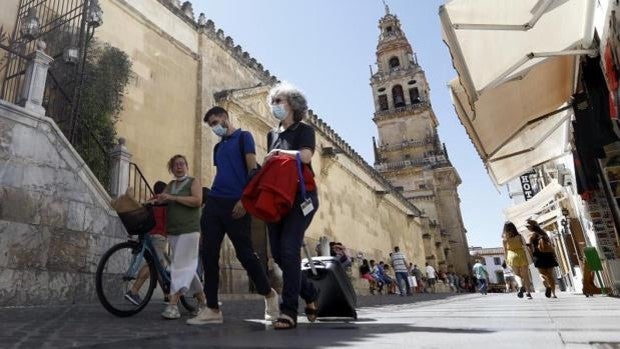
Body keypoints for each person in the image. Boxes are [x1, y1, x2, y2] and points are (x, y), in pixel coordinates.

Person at [188, 107, 279, 325]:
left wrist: (245, 201)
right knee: (209, 255)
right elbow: (222, 174)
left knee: (245, 255)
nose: (214, 126)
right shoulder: (218, 147)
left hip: (236, 204)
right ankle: (212, 309)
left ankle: (270, 295)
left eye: (215, 120)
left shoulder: (243, 137)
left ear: (225, 117)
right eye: (210, 124)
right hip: (215, 204)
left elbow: (252, 172)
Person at [261, 83, 319, 329]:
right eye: (273, 102)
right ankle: (310, 293)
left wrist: (278, 155)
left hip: (301, 197)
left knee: (289, 249)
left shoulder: (304, 130)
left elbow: (305, 157)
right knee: (279, 253)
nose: (275, 106)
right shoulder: (271, 135)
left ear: (293, 105)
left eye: (280, 101)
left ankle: (289, 312)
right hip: (277, 198)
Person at [158, 155, 206, 319]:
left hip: (189, 230)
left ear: (186, 166)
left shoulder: (193, 181)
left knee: (179, 267)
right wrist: (155, 201)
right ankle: (203, 303)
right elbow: (162, 200)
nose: (179, 167)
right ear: (171, 169)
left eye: (181, 164)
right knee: (187, 268)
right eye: (175, 165)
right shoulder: (170, 185)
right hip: (173, 231)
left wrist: (173, 198)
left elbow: (197, 201)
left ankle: (173, 305)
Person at [125, 181, 169, 305]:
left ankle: (167, 295)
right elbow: (169, 220)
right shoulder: (164, 203)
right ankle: (133, 291)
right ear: (164, 191)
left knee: (160, 265)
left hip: (147, 237)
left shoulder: (149, 202)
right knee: (152, 264)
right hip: (159, 237)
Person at [526, 219, 559, 298]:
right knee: (550, 275)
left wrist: (531, 255)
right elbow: (551, 244)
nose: (527, 228)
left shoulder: (531, 234)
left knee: (542, 274)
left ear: (532, 226)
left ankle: (547, 285)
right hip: (549, 255)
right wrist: (554, 254)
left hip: (538, 256)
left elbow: (529, 246)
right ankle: (554, 294)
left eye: (528, 226)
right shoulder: (544, 233)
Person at [502, 222, 533, 299]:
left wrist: (506, 260)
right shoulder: (519, 236)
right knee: (526, 275)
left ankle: (520, 286)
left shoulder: (504, 239)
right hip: (521, 255)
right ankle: (528, 294)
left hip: (511, 256)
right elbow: (525, 245)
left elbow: (505, 251)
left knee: (516, 274)